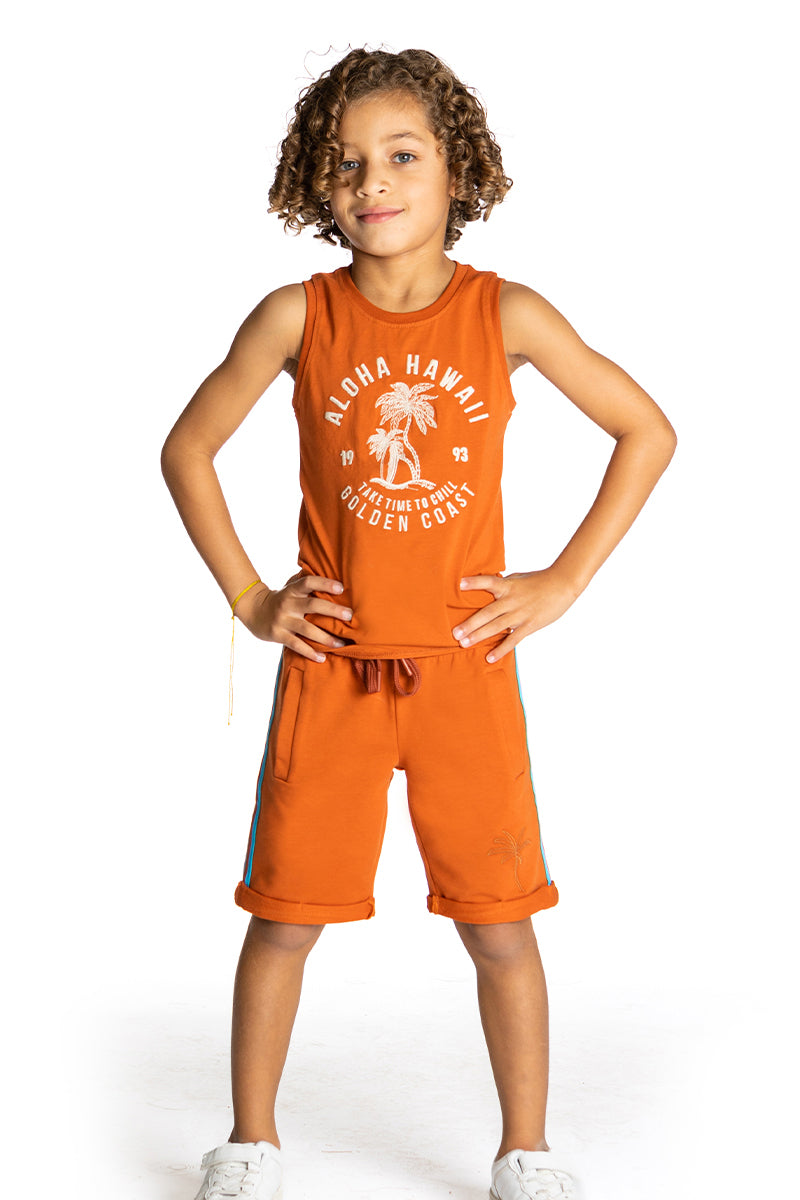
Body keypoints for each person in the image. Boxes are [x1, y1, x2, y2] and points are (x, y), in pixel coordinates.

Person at [161, 46, 677, 1200]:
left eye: (400, 156)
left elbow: (645, 430)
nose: (373, 182)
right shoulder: (297, 317)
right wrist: (252, 598)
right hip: (330, 674)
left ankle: (524, 1149)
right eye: (345, 163)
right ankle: (248, 1141)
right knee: (283, 918)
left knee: (499, 923)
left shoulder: (507, 314)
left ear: (457, 172)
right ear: (315, 182)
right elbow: (186, 449)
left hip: (463, 672)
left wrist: (562, 581)